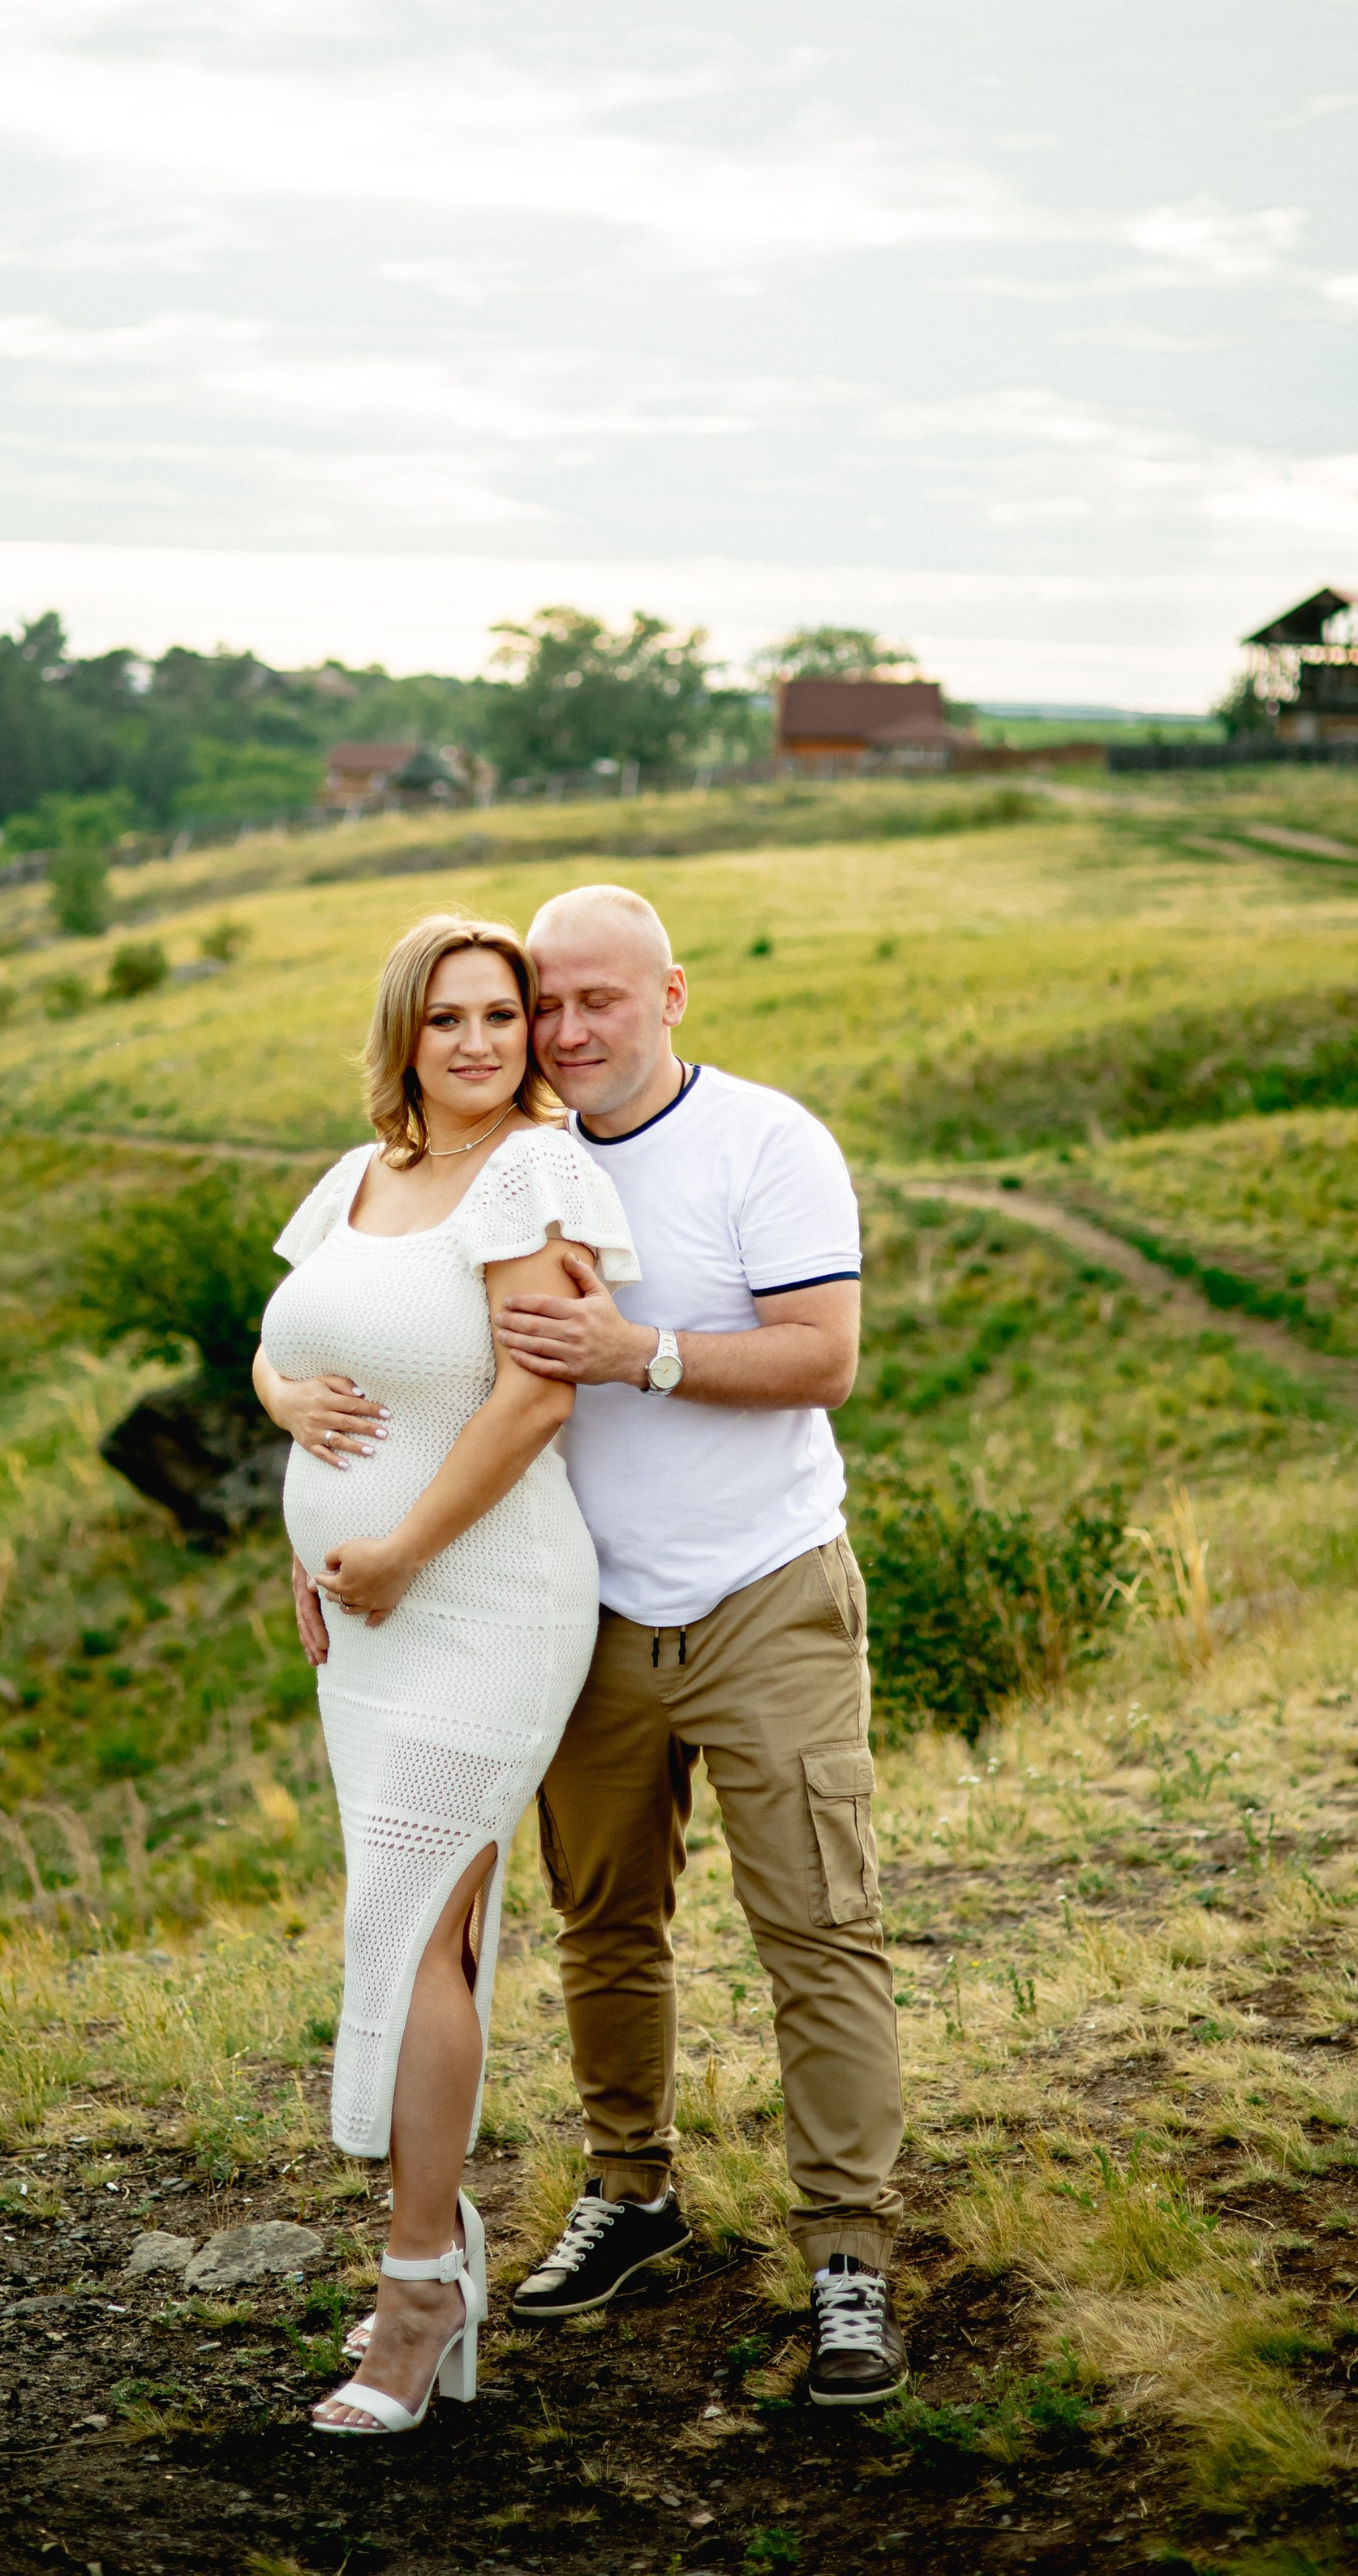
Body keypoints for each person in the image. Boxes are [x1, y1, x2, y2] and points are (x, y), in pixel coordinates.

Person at [492, 882, 907, 2407]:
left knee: (818, 1927)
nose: (567, 1028)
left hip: (766, 1591)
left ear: (673, 997)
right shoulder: (517, 1167)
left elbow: (825, 1358)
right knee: (603, 1921)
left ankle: (850, 2260)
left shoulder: (766, 1141)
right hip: (587, 1612)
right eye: (545, 1001)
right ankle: (634, 2196)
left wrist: (640, 1354)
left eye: (600, 998)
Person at [252, 911, 638, 2438]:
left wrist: (398, 1545)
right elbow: (285, 1344)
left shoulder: (534, 1170)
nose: (480, 1044)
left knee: (421, 1930)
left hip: (482, 1599)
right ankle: (437, 2260)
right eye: (449, 1019)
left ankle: (419, 2290)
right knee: (407, 1922)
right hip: (366, 1621)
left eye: (502, 1015)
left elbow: (537, 1397)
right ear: (402, 1033)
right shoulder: (357, 1177)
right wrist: (294, 1423)